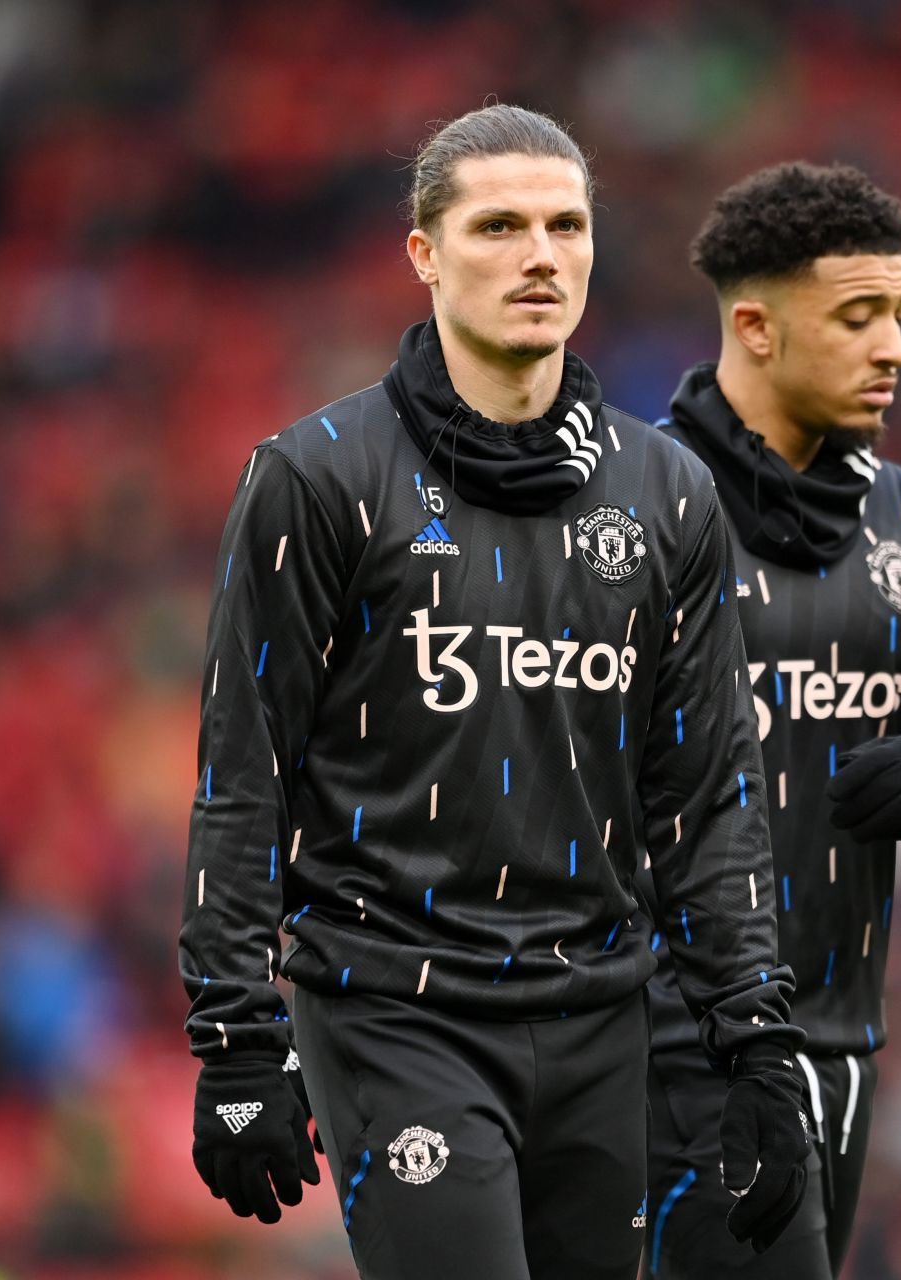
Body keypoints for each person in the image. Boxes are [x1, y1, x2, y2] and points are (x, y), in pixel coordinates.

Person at [178, 106, 811, 1280]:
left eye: (567, 225)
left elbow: (708, 796)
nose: (541, 256)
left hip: (598, 1017)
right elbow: (242, 773)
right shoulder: (316, 479)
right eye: (500, 225)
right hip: (393, 1006)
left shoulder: (669, 492)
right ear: (423, 253)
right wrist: (233, 1037)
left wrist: (757, 1042)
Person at [641, 163, 901, 1279]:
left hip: (843, 1039)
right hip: (673, 1038)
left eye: (900, 314)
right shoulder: (634, 512)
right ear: (754, 326)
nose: (895, 347)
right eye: (859, 316)